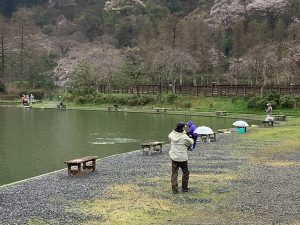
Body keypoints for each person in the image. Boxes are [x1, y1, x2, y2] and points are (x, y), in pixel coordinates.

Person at [168, 122, 194, 194]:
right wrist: (187, 135)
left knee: (174, 172)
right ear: (182, 128)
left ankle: (174, 189)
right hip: (182, 158)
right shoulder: (184, 137)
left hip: (174, 157)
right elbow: (191, 142)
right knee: (185, 172)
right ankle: (185, 188)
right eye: (184, 127)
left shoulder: (172, 134)